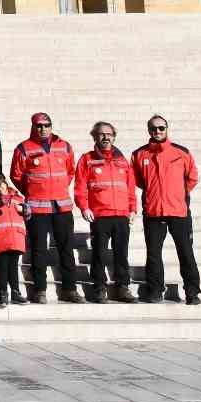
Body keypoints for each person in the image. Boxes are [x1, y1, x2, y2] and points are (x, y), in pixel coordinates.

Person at [9, 111, 83, 303]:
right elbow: (16, 175)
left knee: (66, 249)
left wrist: (57, 187)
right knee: (39, 250)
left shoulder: (64, 146)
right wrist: (34, 189)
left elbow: (69, 171)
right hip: (37, 207)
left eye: (46, 125)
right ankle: (39, 290)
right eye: (39, 125)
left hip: (62, 206)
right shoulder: (23, 148)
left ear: (51, 126)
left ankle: (70, 289)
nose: (43, 129)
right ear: (33, 127)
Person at [132, 114, 201, 305]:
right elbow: (137, 180)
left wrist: (178, 194)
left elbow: (192, 177)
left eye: (161, 128)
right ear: (149, 131)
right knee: (153, 254)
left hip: (178, 212)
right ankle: (155, 291)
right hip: (153, 212)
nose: (158, 131)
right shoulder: (139, 154)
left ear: (167, 129)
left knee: (186, 252)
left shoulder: (182, 152)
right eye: (154, 128)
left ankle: (192, 292)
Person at [75, 121, 138, 303]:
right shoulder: (87, 159)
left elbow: (130, 187)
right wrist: (84, 207)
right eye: (101, 134)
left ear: (114, 137)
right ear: (94, 136)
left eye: (109, 134)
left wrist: (133, 208)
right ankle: (99, 287)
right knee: (99, 253)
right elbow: (80, 186)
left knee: (121, 253)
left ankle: (122, 287)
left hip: (121, 214)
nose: (106, 137)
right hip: (100, 214)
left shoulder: (122, 160)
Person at [0, 170, 27, 307]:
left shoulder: (17, 197)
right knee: (2, 267)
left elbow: (29, 214)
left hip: (16, 237)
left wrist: (24, 209)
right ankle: (2, 293)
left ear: (5, 182)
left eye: (0, 185)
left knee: (13, 266)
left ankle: (15, 292)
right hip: (0, 238)